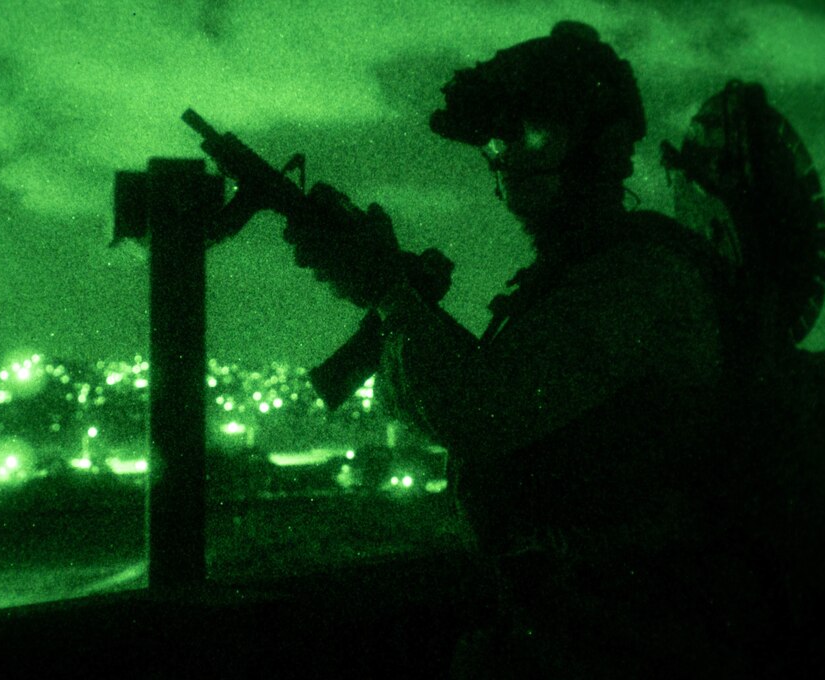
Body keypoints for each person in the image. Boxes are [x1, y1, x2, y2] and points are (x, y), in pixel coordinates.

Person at [285, 20, 794, 677]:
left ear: (604, 147)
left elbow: (480, 412)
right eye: (497, 141)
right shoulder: (587, 273)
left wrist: (390, 293)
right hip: (581, 625)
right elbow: (492, 398)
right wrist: (391, 299)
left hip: (631, 637)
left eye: (534, 135)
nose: (506, 157)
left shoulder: (638, 279)